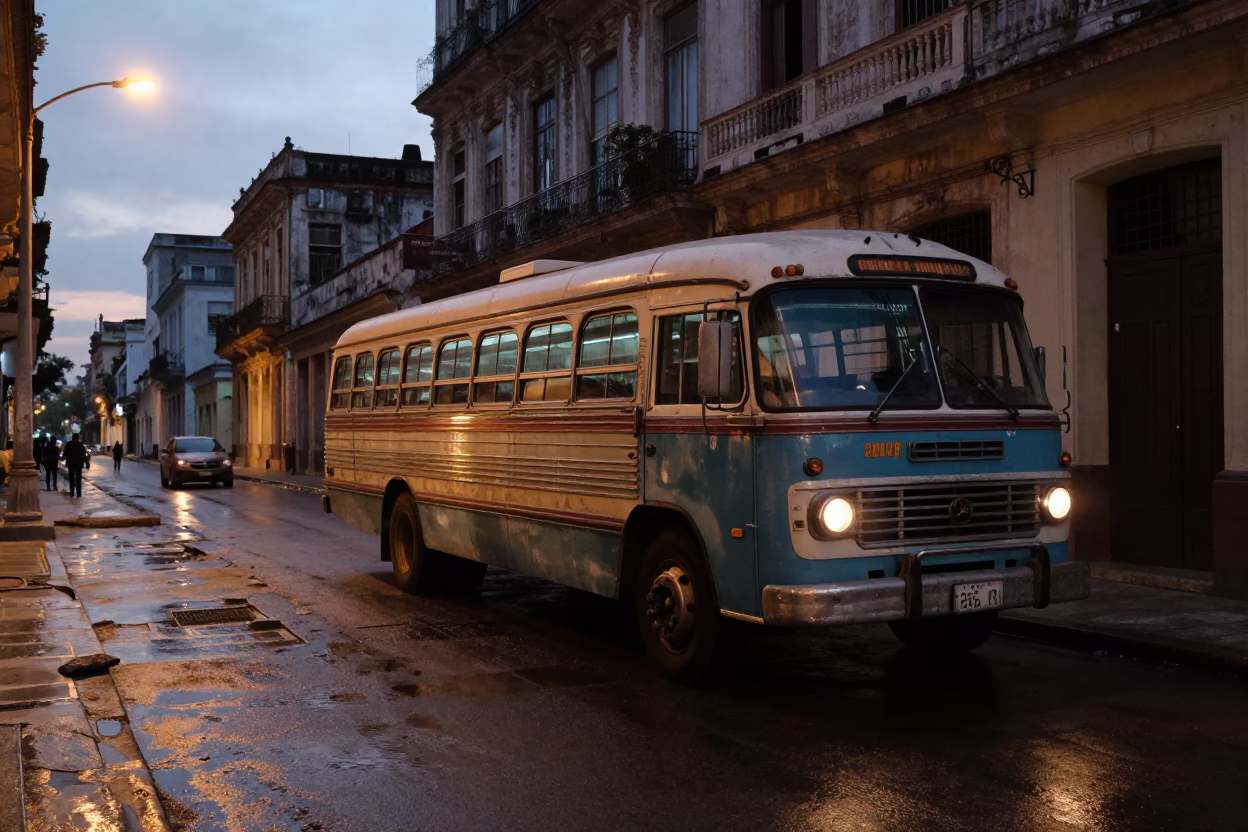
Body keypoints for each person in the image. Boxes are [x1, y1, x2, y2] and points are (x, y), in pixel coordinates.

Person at [63, 433, 87, 498]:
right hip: (79, 464)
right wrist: (86, 463)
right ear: (78, 438)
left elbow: (64, 454)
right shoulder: (80, 445)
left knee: (71, 479)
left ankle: (72, 493)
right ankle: (79, 493)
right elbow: (84, 455)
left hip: (70, 464)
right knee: (78, 479)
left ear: (72, 437)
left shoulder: (69, 444)